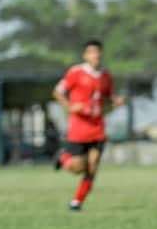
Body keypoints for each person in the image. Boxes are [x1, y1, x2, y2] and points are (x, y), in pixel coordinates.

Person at [53, 40, 124, 211]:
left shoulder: (106, 75)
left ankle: (77, 202)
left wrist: (116, 101)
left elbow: (108, 98)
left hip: (98, 129)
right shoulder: (76, 72)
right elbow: (57, 92)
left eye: (98, 52)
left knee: (93, 166)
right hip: (78, 129)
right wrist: (70, 106)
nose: (95, 55)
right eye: (91, 52)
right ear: (85, 55)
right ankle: (62, 158)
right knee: (77, 168)